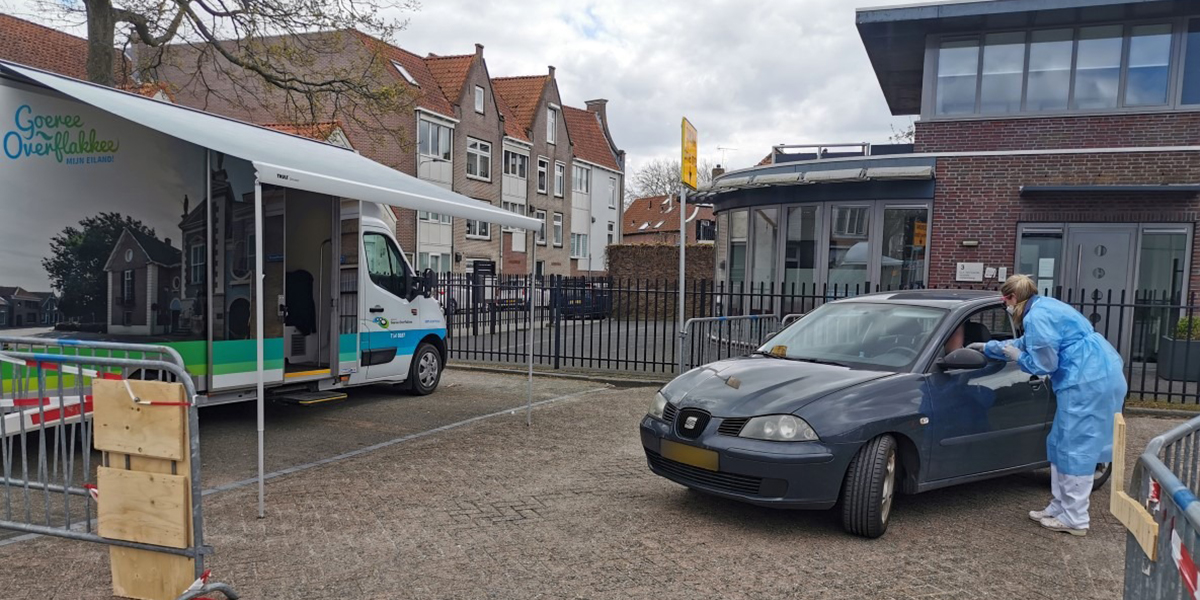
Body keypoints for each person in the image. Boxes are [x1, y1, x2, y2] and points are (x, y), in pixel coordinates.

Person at [967, 274, 1126, 536]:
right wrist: (991, 347)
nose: (1005, 304)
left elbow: (1044, 363)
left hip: (1088, 380)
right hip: (1089, 374)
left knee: (1077, 446)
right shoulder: (1044, 307)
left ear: (1013, 297)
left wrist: (1018, 357)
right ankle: (1060, 506)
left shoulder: (1036, 316)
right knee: (1060, 442)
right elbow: (1030, 343)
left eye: (1004, 299)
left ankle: (1075, 518)